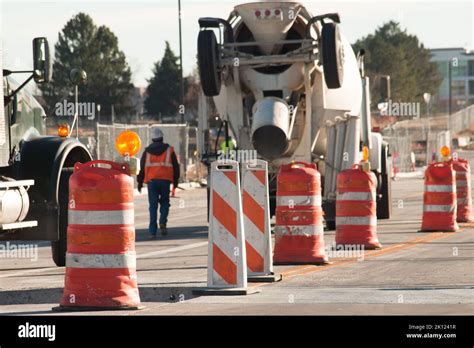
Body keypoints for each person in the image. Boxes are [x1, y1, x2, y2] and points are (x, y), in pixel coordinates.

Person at [137, 128, 180, 238]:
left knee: (153, 206)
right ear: (162, 137)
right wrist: (175, 182)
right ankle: (163, 222)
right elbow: (176, 167)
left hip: (152, 182)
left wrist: (140, 182)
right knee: (165, 203)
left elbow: (142, 168)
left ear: (152, 138)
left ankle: (152, 232)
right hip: (165, 181)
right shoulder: (169, 150)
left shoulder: (147, 152)